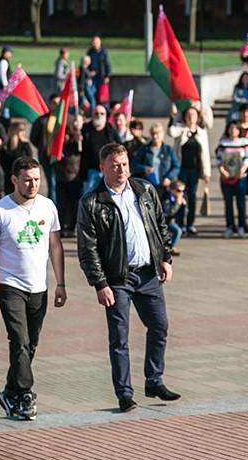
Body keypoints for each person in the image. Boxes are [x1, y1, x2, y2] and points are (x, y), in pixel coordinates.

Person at [76, 143, 178, 412]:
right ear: (102, 168)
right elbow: (87, 248)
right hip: (117, 279)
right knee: (119, 338)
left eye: (124, 164)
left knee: (160, 326)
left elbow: (160, 225)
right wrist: (100, 283)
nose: (121, 170)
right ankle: (124, 393)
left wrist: (165, 258)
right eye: (114, 165)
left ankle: (154, 381)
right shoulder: (92, 202)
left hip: (148, 274)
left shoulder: (144, 190)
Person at [0, 157, 66, 421]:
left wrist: (61, 283)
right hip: (9, 286)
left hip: (38, 287)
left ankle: (9, 391)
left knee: (30, 344)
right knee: (19, 341)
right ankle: (26, 394)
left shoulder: (47, 207)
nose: (33, 185)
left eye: (37, 179)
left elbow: (55, 246)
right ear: (14, 180)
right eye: (27, 180)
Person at [169, 106, 211, 237]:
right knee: (180, 196)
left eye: (194, 115)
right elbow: (171, 132)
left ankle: (190, 224)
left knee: (192, 197)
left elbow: (205, 154)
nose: (191, 117)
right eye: (188, 115)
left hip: (195, 171)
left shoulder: (201, 132)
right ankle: (180, 223)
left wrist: (206, 172)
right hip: (181, 170)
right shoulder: (181, 130)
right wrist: (174, 116)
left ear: (198, 117)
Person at [217, 121, 248, 237]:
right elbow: (218, 159)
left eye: (235, 128)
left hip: (240, 177)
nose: (233, 130)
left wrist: (242, 170)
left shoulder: (244, 142)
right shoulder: (223, 143)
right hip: (226, 177)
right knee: (228, 203)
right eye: (231, 128)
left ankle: (241, 226)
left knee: (240, 203)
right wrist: (222, 171)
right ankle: (230, 226)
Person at [81, 106, 120, 193]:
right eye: (96, 113)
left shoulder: (111, 130)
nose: (99, 116)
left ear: (106, 116)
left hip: (108, 170)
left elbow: (120, 148)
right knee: (89, 196)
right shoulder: (85, 129)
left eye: (102, 114)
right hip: (91, 171)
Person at [132, 122, 180, 190]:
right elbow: (134, 165)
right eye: (153, 133)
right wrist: (144, 168)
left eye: (157, 133)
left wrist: (169, 177)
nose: (155, 136)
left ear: (162, 134)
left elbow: (176, 166)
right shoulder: (144, 149)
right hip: (148, 185)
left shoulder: (168, 150)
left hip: (165, 186)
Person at [0, 121, 34, 195]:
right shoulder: (6, 146)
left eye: (24, 130)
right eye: (21, 130)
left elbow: (30, 159)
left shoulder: (25, 144)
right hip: (10, 176)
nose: (23, 132)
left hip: (23, 176)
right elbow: (4, 161)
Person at [86, 36, 112, 108]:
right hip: (92, 77)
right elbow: (87, 63)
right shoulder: (90, 52)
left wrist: (107, 76)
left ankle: (104, 110)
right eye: (93, 42)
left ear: (99, 43)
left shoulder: (104, 52)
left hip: (102, 77)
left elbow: (108, 65)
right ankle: (94, 109)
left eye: (96, 42)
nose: (94, 44)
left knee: (103, 95)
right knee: (92, 93)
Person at [162, 180, 186, 254]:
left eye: (183, 191)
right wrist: (177, 203)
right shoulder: (167, 198)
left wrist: (184, 206)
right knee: (177, 231)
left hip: (173, 220)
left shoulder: (179, 197)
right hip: (165, 220)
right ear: (172, 190)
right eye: (179, 191)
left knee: (175, 232)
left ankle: (169, 247)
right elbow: (169, 212)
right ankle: (170, 248)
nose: (181, 193)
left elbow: (184, 214)